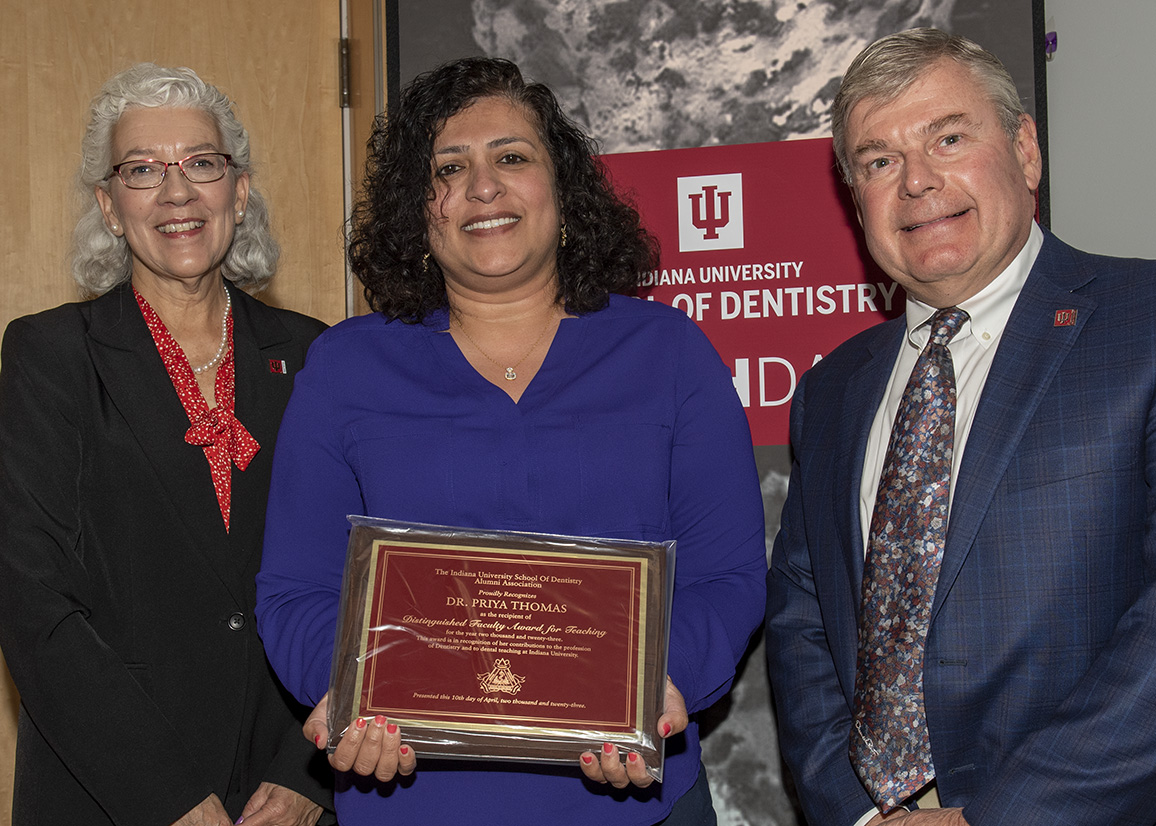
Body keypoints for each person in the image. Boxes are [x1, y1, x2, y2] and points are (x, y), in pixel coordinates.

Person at [255, 56, 767, 826]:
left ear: (563, 191)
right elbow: (296, 589)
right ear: (418, 213)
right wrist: (349, 688)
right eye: (448, 168)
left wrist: (659, 690)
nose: (482, 187)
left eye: (512, 158)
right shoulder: (345, 368)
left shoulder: (668, 354)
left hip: (635, 801)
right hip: (413, 800)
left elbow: (727, 575)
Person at [765, 26, 1156, 826]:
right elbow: (803, 618)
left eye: (948, 138)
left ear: (1026, 151)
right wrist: (864, 814)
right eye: (879, 161)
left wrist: (1000, 817)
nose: (917, 182)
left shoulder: (1142, 324)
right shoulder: (831, 391)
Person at [0, 64, 331, 826]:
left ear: (237, 193)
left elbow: (354, 582)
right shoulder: (52, 356)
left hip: (280, 797)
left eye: (201, 163)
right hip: (112, 794)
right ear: (109, 207)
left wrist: (308, 775)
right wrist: (170, 799)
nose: (176, 192)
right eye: (143, 170)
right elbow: (33, 604)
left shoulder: (316, 355)